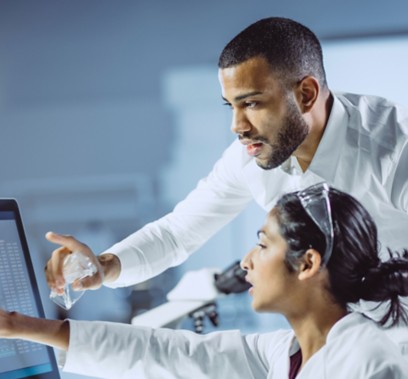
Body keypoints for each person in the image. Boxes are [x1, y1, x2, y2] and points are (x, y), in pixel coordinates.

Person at [45, 17, 408, 346]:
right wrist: (104, 265)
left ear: (306, 94)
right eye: (230, 106)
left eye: (251, 104)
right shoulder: (250, 156)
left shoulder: (394, 147)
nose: (236, 126)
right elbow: (176, 234)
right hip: (344, 349)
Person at [3, 184, 408, 378]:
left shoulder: (368, 363)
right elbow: (167, 352)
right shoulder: (284, 354)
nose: (246, 262)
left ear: (307, 264)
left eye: (263, 246)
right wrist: (19, 325)